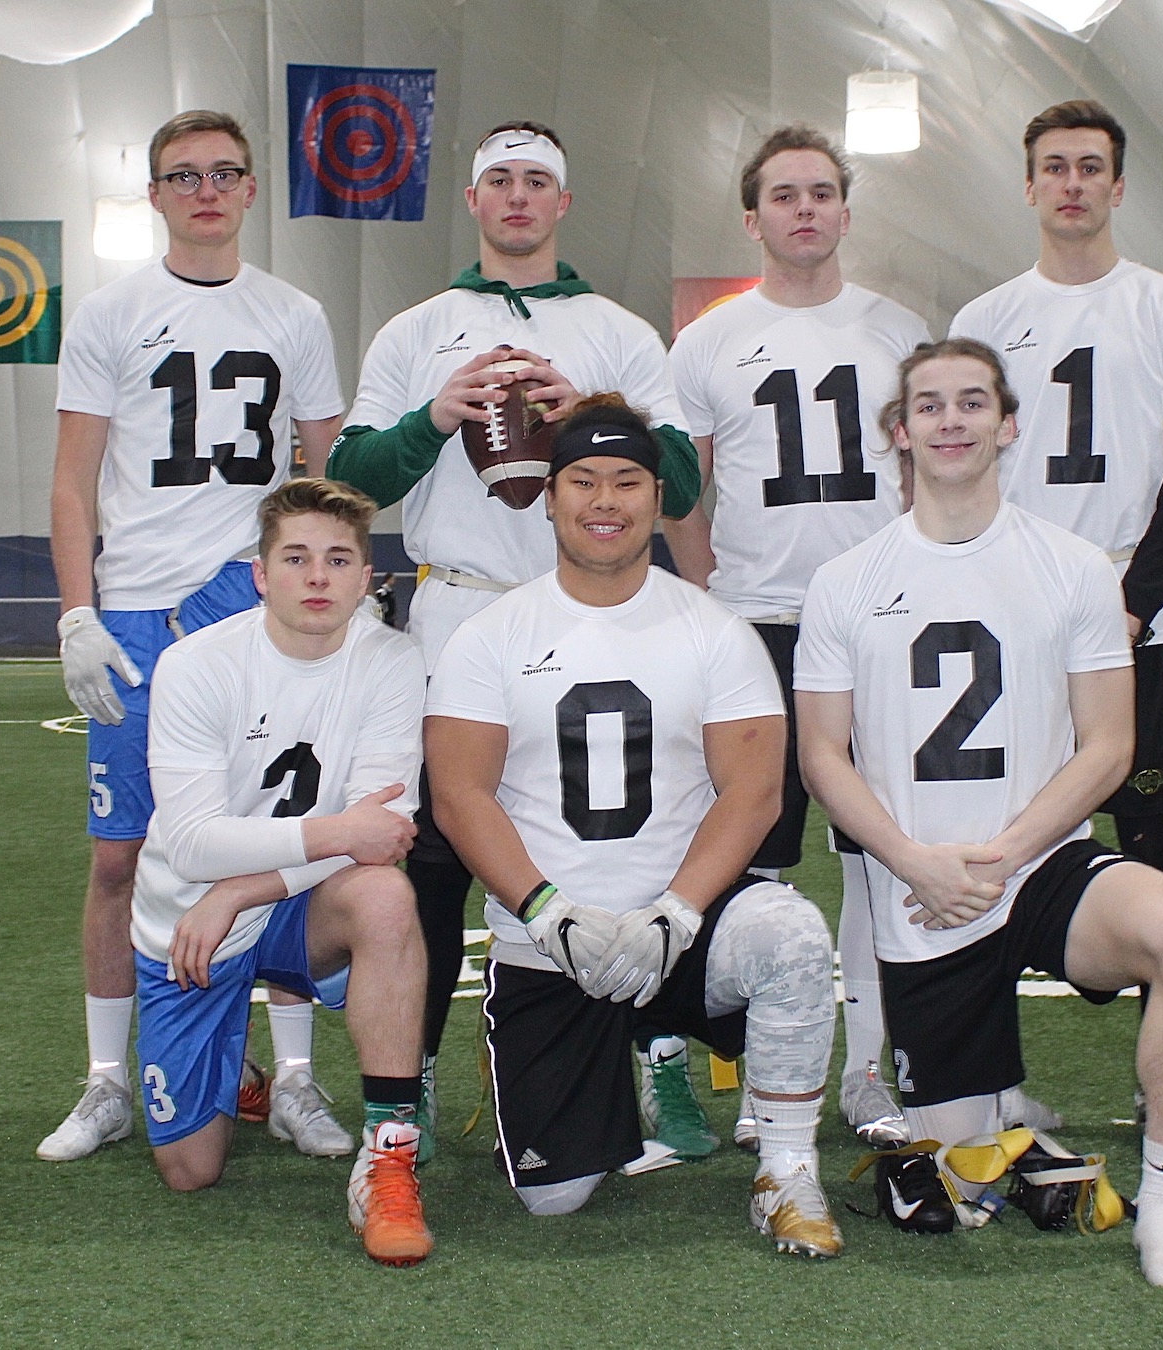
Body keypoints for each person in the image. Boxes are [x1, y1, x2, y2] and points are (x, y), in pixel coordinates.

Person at [794, 340, 1163, 1287]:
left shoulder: (1074, 567)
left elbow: (1107, 745)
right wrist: (914, 859)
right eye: (930, 405)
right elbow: (822, 754)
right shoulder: (844, 581)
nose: (951, 420)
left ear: (1008, 424)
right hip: (921, 894)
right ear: (900, 431)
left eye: (972, 402)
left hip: (1039, 866)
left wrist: (1004, 854)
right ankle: (999, 1129)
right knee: (963, 1180)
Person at [326, 122, 701, 1156]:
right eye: (501, 180)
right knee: (436, 860)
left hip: (595, 615)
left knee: (629, 843)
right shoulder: (418, 330)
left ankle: (659, 1056)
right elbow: (351, 479)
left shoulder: (616, 330)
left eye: (539, 180)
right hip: (457, 613)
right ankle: (414, 1070)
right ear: (475, 200)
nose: (520, 197)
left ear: (563, 203)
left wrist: (595, 416)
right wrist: (433, 417)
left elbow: (681, 483)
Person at [423, 401, 842, 1258]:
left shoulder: (715, 630)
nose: (604, 501)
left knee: (791, 933)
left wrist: (678, 912)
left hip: (680, 929)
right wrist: (545, 910)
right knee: (554, 1198)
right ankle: (600, 1094)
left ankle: (788, 1171)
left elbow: (754, 793)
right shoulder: (490, 635)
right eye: (583, 481)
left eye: (627, 482)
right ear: (550, 496)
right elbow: (460, 796)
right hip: (551, 938)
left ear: (658, 498)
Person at [42, 110, 348, 1163]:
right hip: (138, 609)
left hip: (258, 605)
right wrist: (77, 611)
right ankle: (107, 1080)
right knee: (121, 856)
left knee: (284, 838)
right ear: (157, 195)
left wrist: (333, 590)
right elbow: (74, 481)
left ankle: (295, 1077)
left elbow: (326, 475)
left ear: (251, 188)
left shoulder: (294, 313)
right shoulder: (110, 313)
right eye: (184, 175)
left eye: (224, 173)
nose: (206, 190)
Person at [665, 124, 930, 1151]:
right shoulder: (709, 341)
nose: (805, 209)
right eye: (784, 195)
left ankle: (868, 1072)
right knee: (753, 861)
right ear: (753, 218)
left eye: (821, 192)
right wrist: (707, 590)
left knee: (877, 856)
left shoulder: (899, 330)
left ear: (846, 212)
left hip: (875, 628)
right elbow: (682, 486)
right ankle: (759, 1077)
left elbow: (931, 471)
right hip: (758, 625)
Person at [129, 478, 433, 1265]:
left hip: (289, 903)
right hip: (190, 921)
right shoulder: (197, 665)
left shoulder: (394, 661)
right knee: (191, 1171)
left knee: (386, 898)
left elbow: (383, 834)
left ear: (367, 578)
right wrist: (334, 835)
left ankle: (389, 1160)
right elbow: (191, 845)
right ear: (262, 575)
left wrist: (244, 889)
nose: (318, 577)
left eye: (339, 559)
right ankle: (237, 1071)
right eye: (296, 559)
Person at [949, 99, 1163, 887]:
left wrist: (1131, 605)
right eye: (1056, 168)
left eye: (1091, 168)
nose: (1073, 184)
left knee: (1149, 830)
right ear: (1029, 187)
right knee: (1001, 821)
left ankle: (1158, 960)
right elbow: (957, 470)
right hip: (1014, 604)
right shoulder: (985, 320)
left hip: (1128, 602)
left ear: (1119, 187)